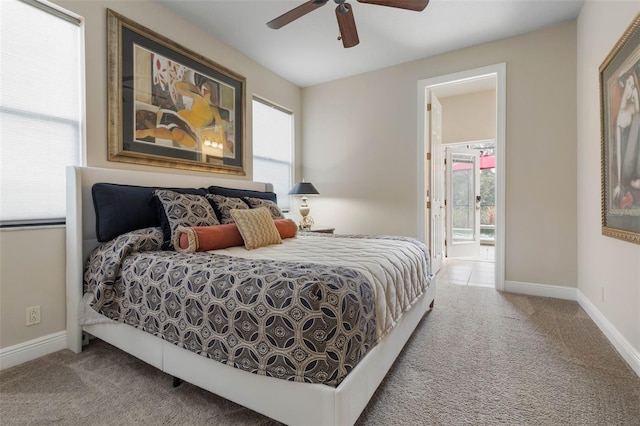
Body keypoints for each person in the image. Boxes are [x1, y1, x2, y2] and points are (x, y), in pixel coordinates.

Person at [613, 66, 640, 209]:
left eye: (633, 85)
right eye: (629, 85)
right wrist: (618, 183)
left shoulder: (634, 108)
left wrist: (636, 96)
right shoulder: (621, 116)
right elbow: (619, 150)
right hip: (626, 171)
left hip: (635, 164)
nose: (631, 89)